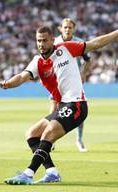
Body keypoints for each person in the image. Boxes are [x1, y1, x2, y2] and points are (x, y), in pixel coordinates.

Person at [0, 26, 118, 185]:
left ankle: (28, 173)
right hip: (63, 106)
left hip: (76, 104)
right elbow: (22, 77)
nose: (41, 44)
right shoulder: (37, 61)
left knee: (47, 134)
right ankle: (51, 172)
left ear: (52, 40)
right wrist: (7, 84)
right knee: (32, 134)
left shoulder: (65, 49)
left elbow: (95, 44)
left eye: (44, 40)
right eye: (38, 41)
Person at [51, 18, 91, 152]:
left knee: (78, 113)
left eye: (70, 27)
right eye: (65, 27)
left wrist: (83, 74)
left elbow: (88, 60)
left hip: (74, 84)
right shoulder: (54, 42)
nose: (67, 29)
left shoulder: (79, 42)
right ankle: (51, 140)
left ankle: (79, 140)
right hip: (57, 83)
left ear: (74, 29)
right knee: (53, 111)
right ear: (60, 28)